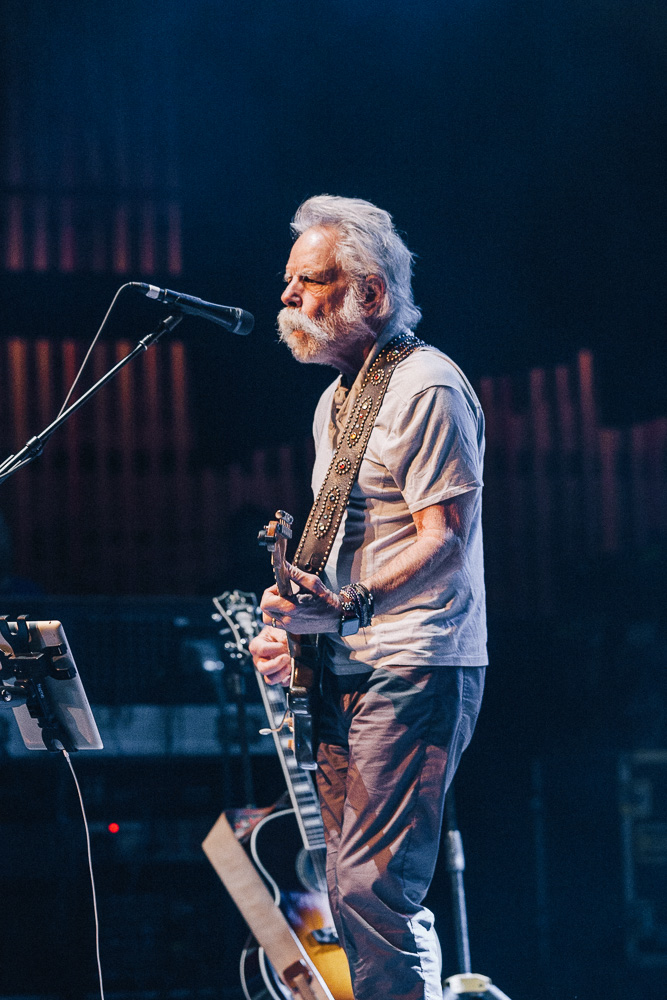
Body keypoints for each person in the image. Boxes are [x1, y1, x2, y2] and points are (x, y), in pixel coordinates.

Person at [249, 195, 487, 1000]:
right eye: (289, 281)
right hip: (344, 665)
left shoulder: (426, 386)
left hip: (413, 662)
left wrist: (344, 599)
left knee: (368, 887)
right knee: (350, 889)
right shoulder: (337, 400)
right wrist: (293, 618)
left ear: (371, 294)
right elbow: (341, 550)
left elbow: (441, 536)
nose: (286, 296)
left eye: (308, 281)